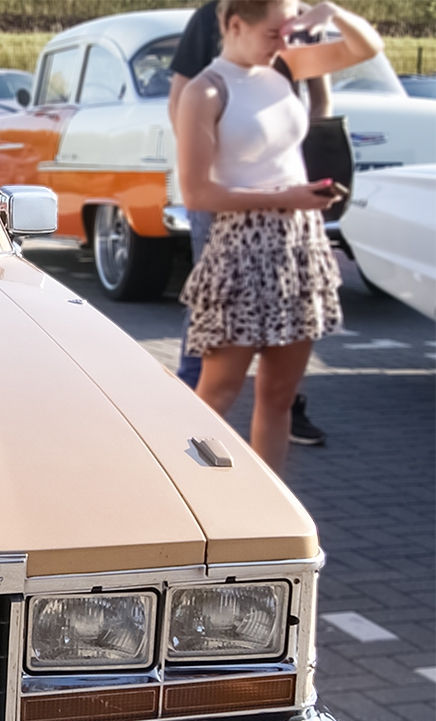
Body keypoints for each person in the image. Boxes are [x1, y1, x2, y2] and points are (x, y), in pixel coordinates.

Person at [175, 0, 380, 473]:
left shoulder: (284, 66)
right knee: (216, 393)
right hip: (240, 249)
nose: (283, 42)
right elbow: (198, 192)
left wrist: (328, 11)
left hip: (298, 246)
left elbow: (366, 47)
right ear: (233, 24)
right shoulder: (206, 91)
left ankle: (269, 510)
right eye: (273, 32)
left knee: (279, 396)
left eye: (288, 32)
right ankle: (190, 497)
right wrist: (286, 196)